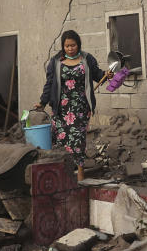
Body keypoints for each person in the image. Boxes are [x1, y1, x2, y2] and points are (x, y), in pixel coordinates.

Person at [34, 30, 111, 180]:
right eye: (67, 46)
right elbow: (49, 84)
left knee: (77, 139)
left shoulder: (87, 59)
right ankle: (63, 174)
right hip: (61, 107)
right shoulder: (55, 61)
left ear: (78, 44)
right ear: (63, 46)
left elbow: (97, 75)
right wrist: (43, 102)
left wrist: (106, 75)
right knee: (61, 139)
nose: (70, 49)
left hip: (81, 107)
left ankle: (80, 175)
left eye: (73, 45)